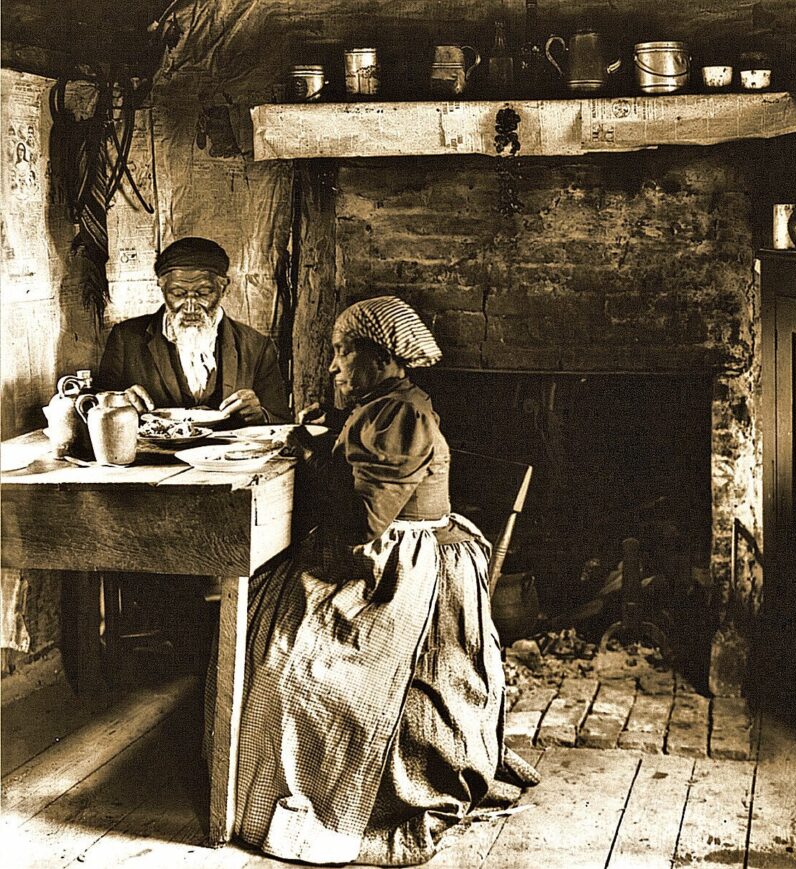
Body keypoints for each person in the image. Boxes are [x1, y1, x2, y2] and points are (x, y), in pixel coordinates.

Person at [207, 295, 538, 865]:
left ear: (381, 356)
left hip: (399, 567)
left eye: (342, 353)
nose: (333, 368)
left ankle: (319, 804)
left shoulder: (402, 415)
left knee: (292, 658)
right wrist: (319, 439)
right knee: (265, 614)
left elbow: (364, 520)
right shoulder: (384, 403)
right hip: (382, 550)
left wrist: (314, 462)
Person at [98, 236, 291, 424]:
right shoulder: (126, 338)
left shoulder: (257, 346)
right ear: (162, 288)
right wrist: (118, 401)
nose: (190, 306)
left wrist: (261, 415)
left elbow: (281, 421)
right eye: (178, 294)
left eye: (203, 293)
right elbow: (98, 404)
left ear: (223, 288)